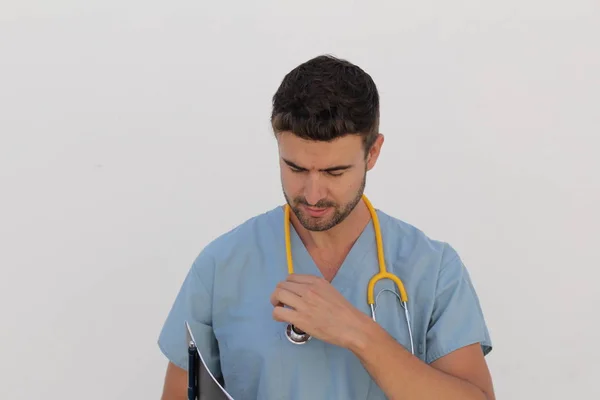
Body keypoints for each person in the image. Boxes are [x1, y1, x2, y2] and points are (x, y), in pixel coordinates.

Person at [158, 54, 495, 400]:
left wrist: (357, 332)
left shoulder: (434, 269)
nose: (313, 194)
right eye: (296, 168)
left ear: (373, 153)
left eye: (335, 172)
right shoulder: (221, 266)